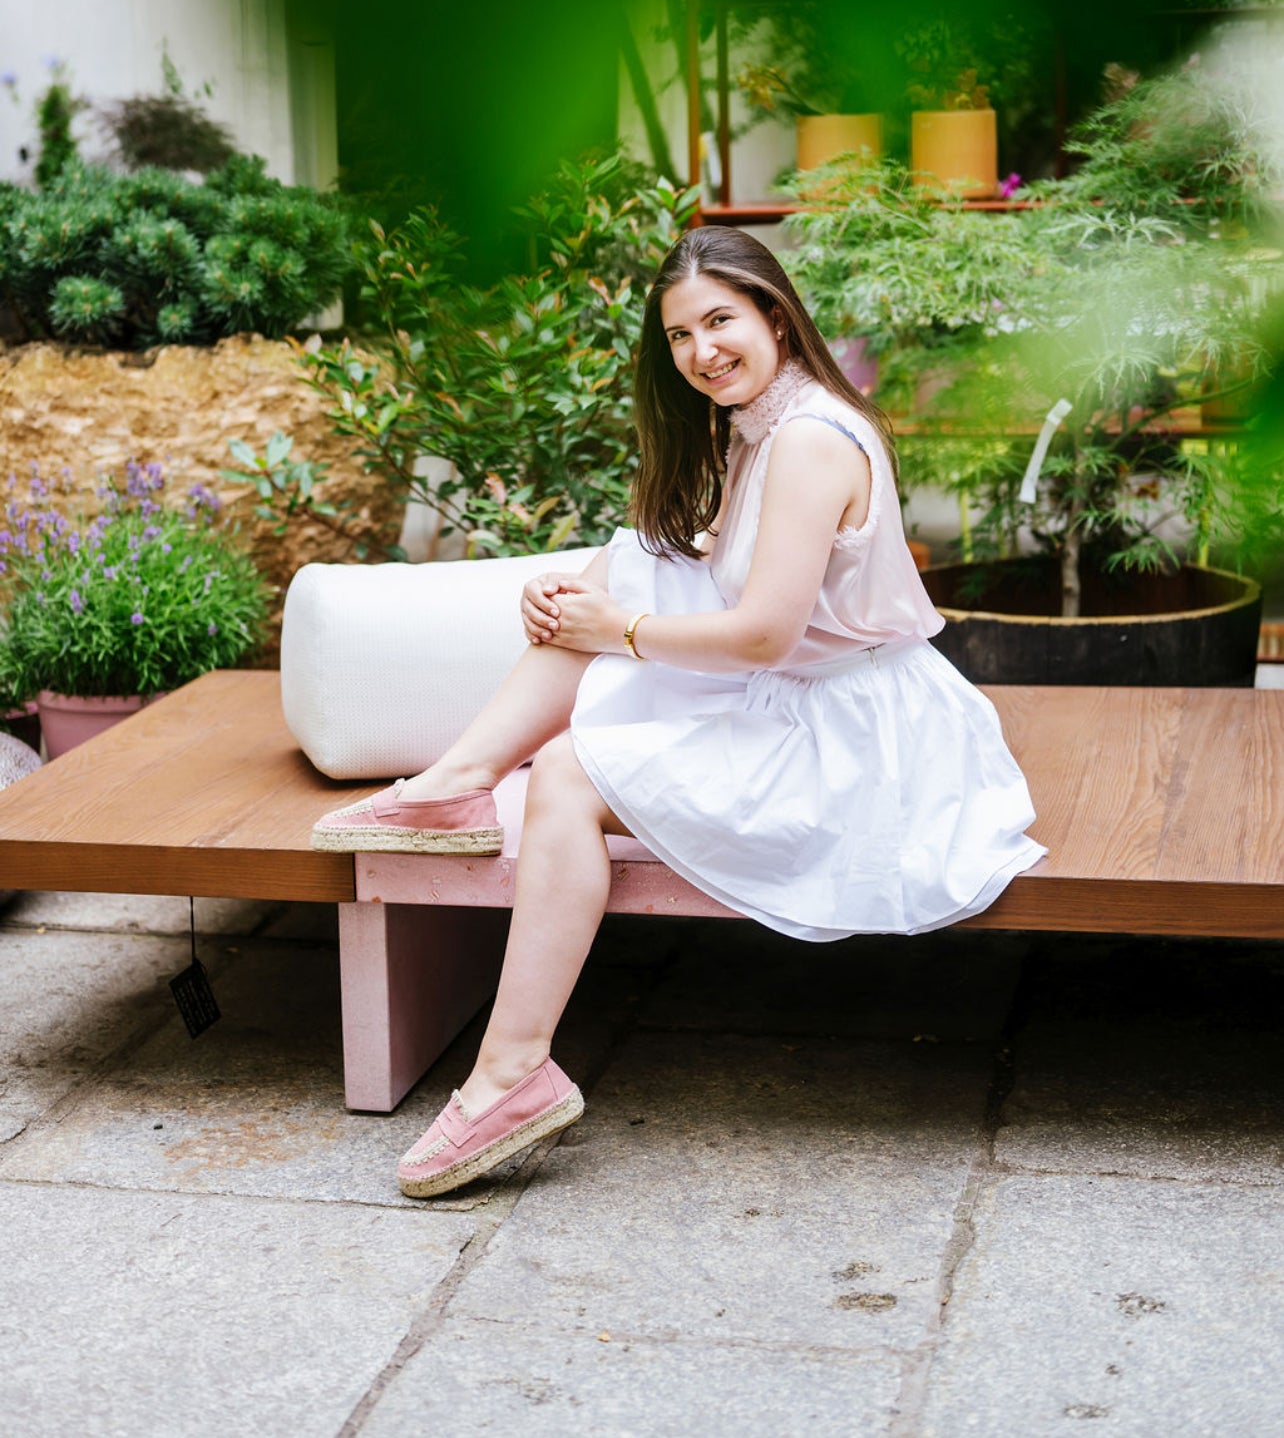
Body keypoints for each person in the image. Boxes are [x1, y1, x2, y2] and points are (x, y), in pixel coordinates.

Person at [312, 226, 1045, 1198]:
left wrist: (618, 628)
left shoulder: (810, 441)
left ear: (774, 315)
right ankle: (458, 783)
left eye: (720, 320)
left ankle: (509, 1073)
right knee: (624, 562)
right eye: (680, 335)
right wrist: (585, 602)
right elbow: (719, 570)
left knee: (569, 771)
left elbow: (765, 635)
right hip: (811, 696)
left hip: (857, 741)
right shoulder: (763, 426)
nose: (702, 351)